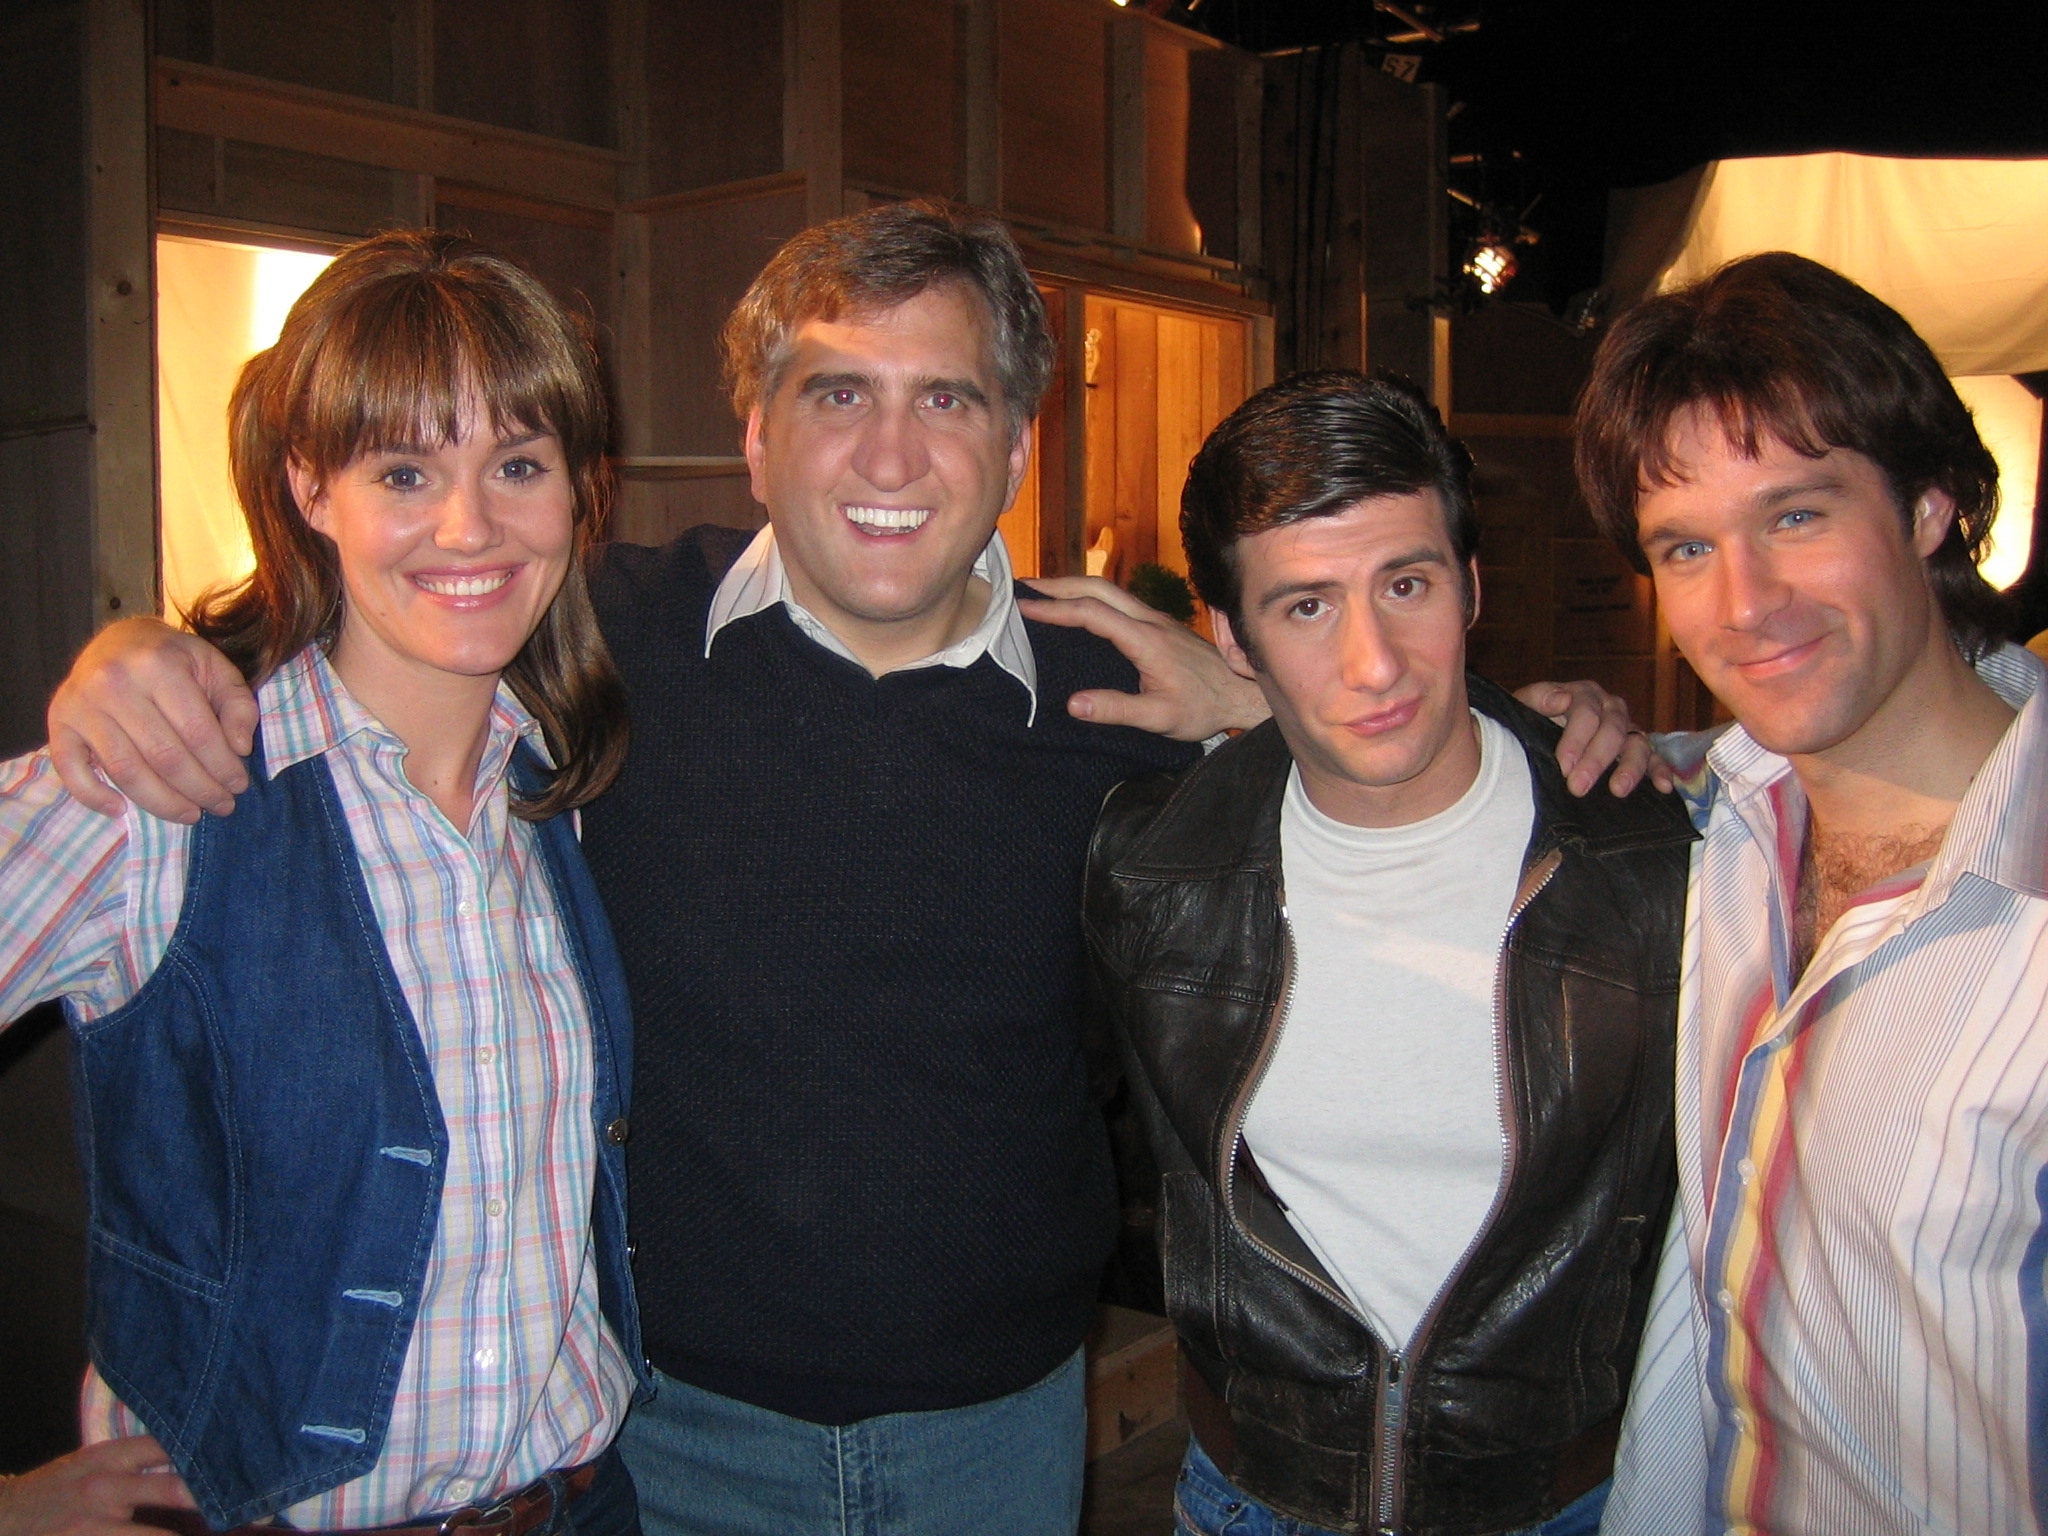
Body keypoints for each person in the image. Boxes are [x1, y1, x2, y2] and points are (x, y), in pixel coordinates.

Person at [39, 202, 1654, 1536]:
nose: (890, 451)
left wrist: (1517, 725)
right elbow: (399, 609)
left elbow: (1386, 715)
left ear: (1014, 440)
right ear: (755, 436)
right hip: (663, 1436)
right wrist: (147, 657)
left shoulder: (1117, 695)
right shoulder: (605, 645)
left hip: (998, 1435)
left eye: (945, 398)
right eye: (834, 394)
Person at [0, 230, 645, 1536]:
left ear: (579, 492)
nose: (469, 525)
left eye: (517, 465)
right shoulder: (157, 795)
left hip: (578, 1509)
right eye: (404, 471)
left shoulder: (559, 803)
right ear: (309, 486)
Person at [1081, 371, 1692, 1536]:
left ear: (1470, 585)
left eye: (1404, 585)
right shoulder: (1148, 872)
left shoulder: (1650, 860)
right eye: (1305, 606)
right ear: (1232, 637)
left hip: (1561, 1505)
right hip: (1254, 1498)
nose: (1373, 662)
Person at [1573, 252, 2048, 1536]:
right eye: (1685, 546)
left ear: (1929, 507)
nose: (1745, 605)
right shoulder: (1718, 814)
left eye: (1794, 517)